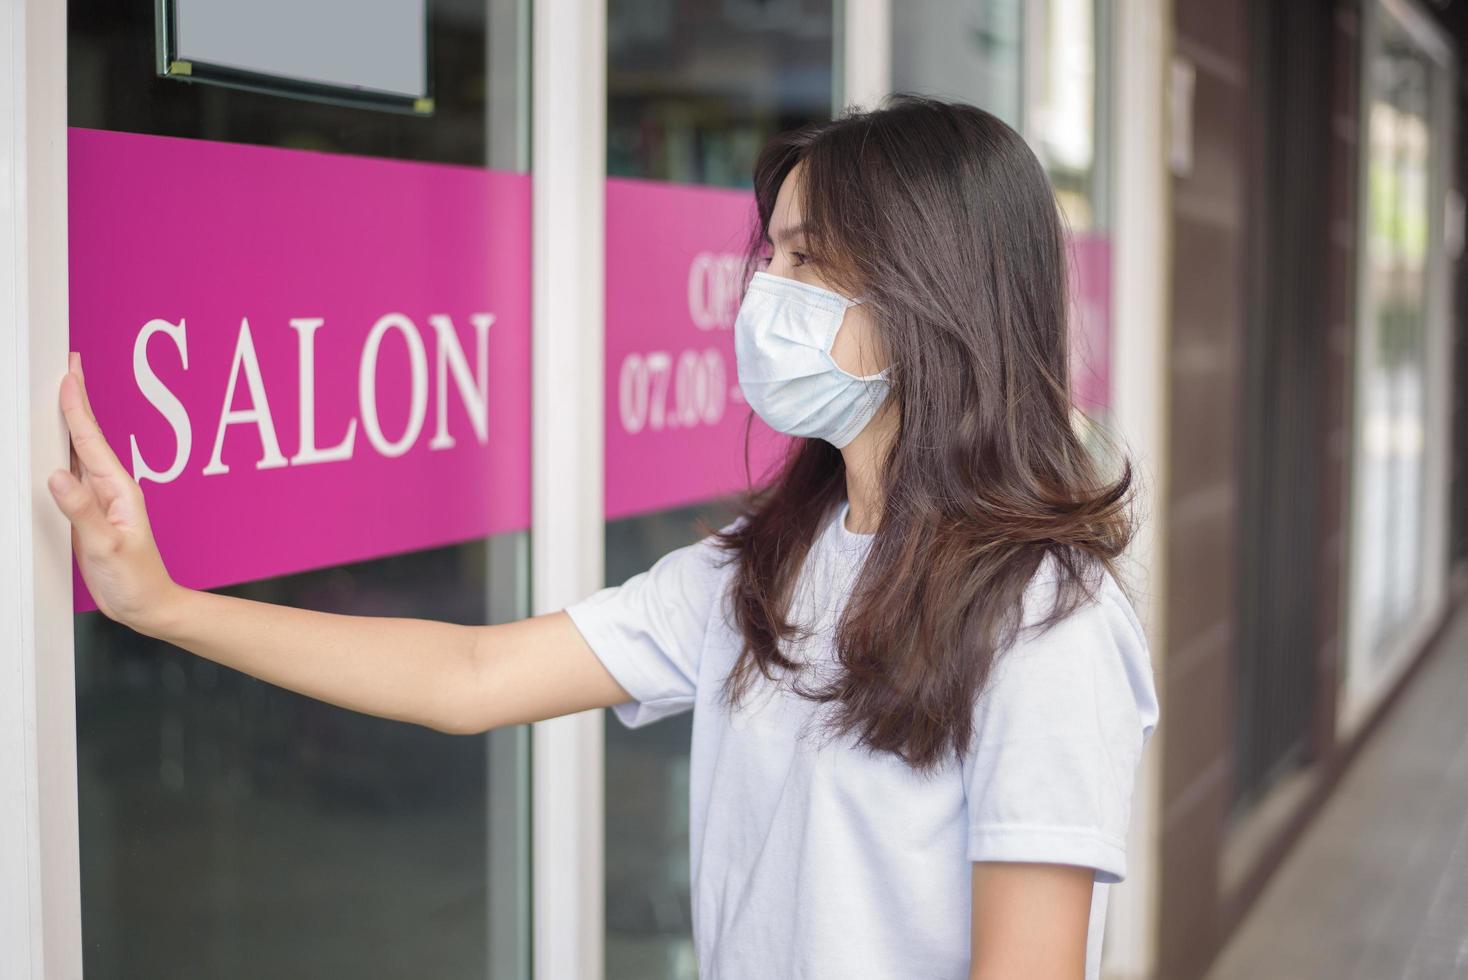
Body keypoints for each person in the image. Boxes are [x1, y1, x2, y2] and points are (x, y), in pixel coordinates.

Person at [49, 93, 1159, 980]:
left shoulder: (1046, 623)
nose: (762, 291)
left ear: (935, 294)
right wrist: (159, 602)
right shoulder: (766, 567)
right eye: (766, 256)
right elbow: (472, 674)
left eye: (806, 259)